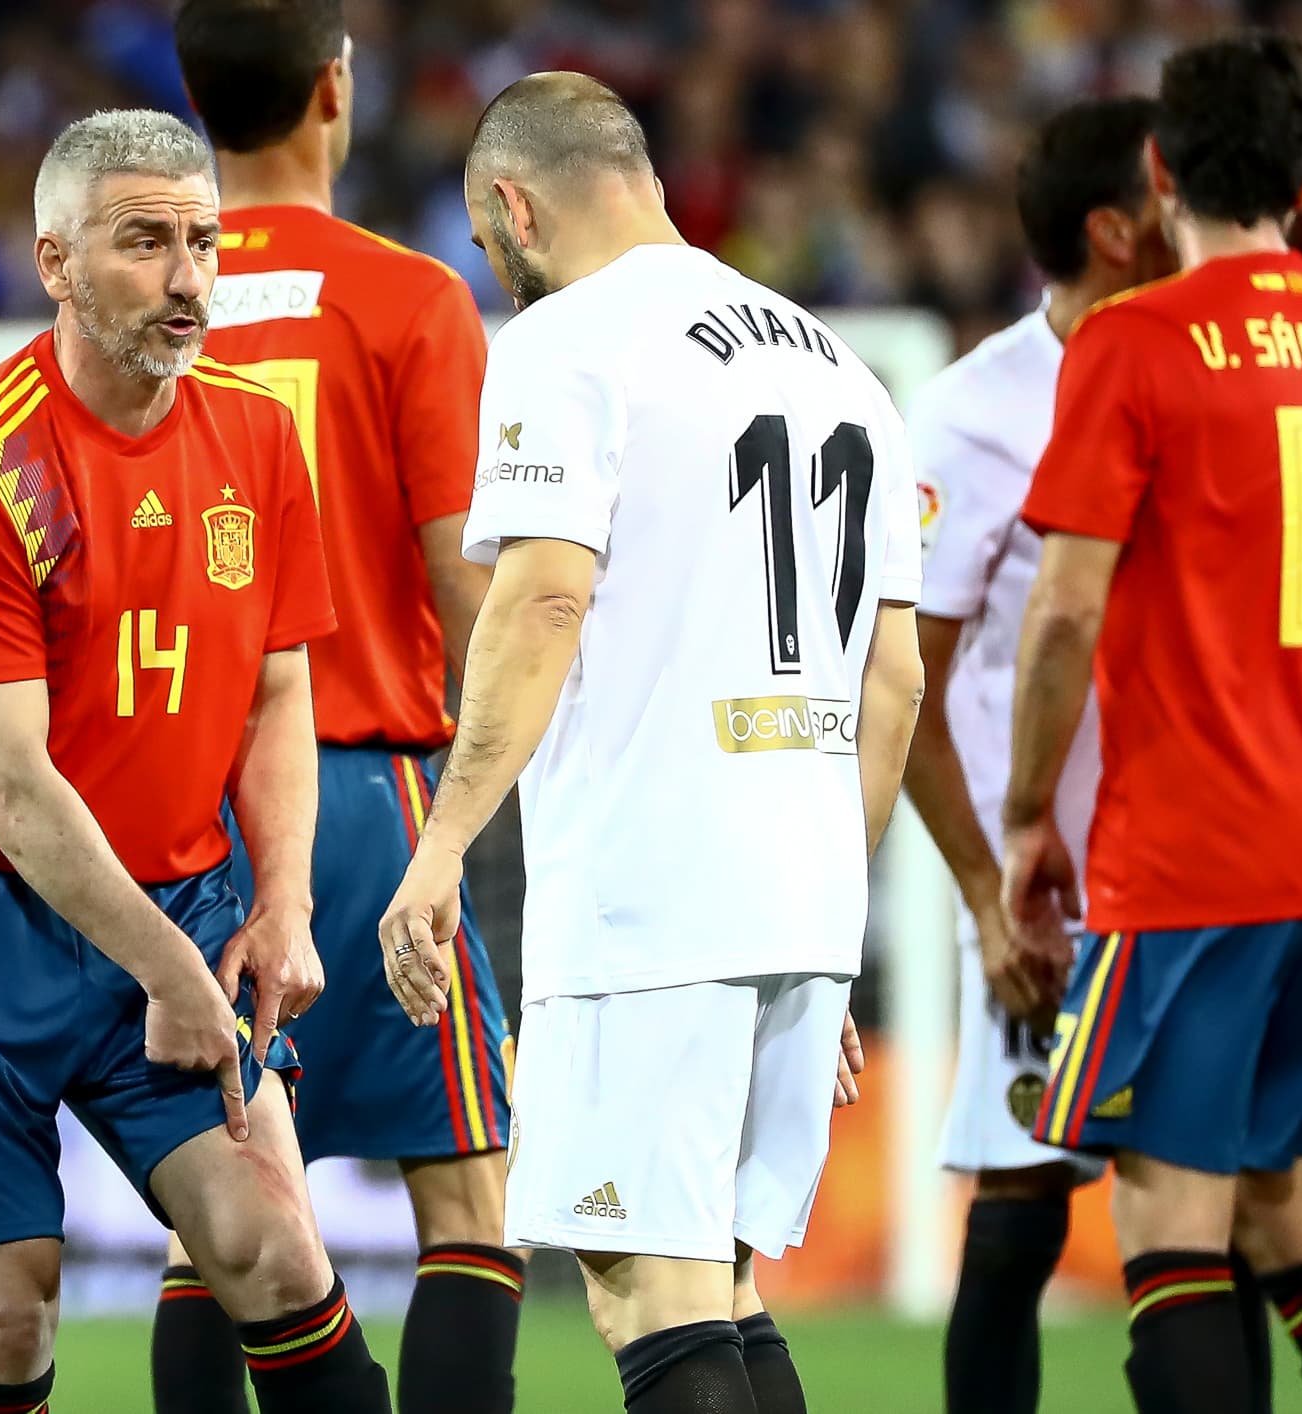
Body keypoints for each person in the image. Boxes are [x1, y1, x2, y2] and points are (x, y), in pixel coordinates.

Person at [379, 72, 924, 1414]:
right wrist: (829, 902)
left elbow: (543, 594)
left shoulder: (570, 342)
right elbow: (892, 680)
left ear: (510, 202)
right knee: (720, 1278)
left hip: (654, 889)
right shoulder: (840, 365)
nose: (488, 263)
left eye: (480, 234)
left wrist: (442, 841)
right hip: (800, 887)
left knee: (646, 1286)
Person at [0, 108, 392, 1414]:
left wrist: (283, 902)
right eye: (144, 242)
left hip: (176, 890)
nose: (188, 274)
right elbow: (9, 783)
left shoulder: (257, 436)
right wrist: (170, 971)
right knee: (6, 1307)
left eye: (201, 240)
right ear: (55, 261)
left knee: (272, 1245)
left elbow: (275, 688)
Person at [156, 6, 517, 1412]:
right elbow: (467, 582)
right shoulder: (407, 296)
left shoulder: (140, 292)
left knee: (225, 1194)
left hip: (188, 810)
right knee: (469, 1194)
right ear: (333, 86)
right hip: (361, 783)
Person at [1004, 32, 1302, 1414]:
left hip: (1202, 849)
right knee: (1299, 1211)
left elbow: (1058, 613)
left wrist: (1031, 810)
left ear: (1155, 176)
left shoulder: (1133, 341)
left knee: (1172, 1227)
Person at [904, 96, 1272, 1414]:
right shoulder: (967, 416)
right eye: (1166, 199)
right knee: (1017, 1214)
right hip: (1040, 890)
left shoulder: (1210, 373)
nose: (1193, 216)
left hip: (1191, 863)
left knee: (1212, 1209)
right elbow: (908, 685)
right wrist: (978, 890)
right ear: (1115, 231)